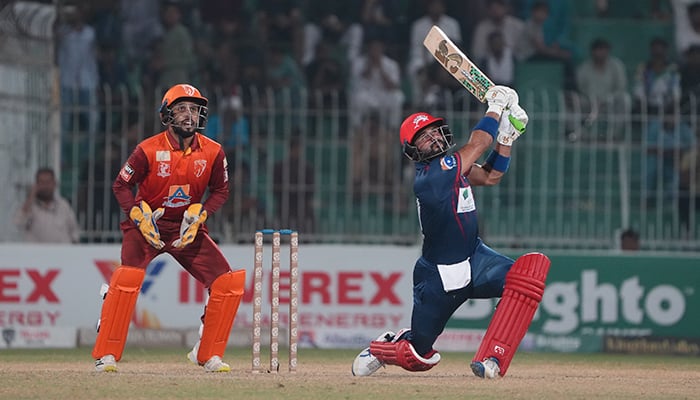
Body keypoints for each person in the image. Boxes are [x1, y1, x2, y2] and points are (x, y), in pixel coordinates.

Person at [351, 85, 551, 379]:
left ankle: (492, 359)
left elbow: (492, 176)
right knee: (417, 355)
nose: (433, 138)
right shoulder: (431, 177)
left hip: (476, 258)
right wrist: (495, 107)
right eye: (424, 137)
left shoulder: (455, 168)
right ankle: (383, 348)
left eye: (433, 132)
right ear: (413, 151)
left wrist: (507, 137)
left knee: (527, 277)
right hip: (438, 278)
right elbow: (479, 142)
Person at [92, 84, 245, 373]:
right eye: (182, 109)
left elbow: (221, 191)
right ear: (167, 114)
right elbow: (121, 185)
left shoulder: (213, 152)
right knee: (127, 282)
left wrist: (202, 212)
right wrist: (137, 213)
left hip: (186, 228)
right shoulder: (147, 149)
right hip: (147, 227)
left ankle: (207, 353)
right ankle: (106, 354)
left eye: (195, 109)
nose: (189, 115)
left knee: (225, 283)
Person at [13, 167, 80, 243]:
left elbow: (74, 230)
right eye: (41, 182)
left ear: (55, 184)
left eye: (48, 182)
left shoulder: (63, 205)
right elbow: (19, 222)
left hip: (62, 253)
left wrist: (74, 250)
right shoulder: (30, 206)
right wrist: (31, 196)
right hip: (38, 254)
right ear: (36, 185)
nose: (45, 186)